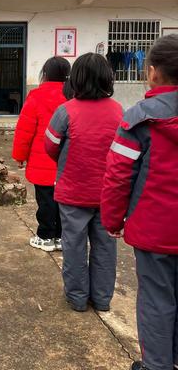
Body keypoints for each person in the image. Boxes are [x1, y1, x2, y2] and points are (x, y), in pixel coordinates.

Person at [101, 35, 178, 370]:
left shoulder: (139, 118)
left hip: (155, 231)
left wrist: (113, 220)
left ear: (152, 73)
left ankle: (157, 365)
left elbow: (119, 176)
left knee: (157, 300)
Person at [44, 53, 122, 312]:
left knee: (74, 247)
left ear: (75, 79)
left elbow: (51, 145)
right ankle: (102, 299)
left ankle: (77, 298)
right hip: (108, 195)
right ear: (108, 78)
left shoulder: (65, 111)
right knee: (105, 248)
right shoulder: (118, 110)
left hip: (73, 192)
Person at [12, 56, 71, 252]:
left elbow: (25, 130)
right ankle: (62, 237)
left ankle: (45, 236)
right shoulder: (74, 96)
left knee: (45, 202)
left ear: (45, 74)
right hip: (67, 163)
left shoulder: (36, 96)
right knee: (64, 202)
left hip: (42, 159)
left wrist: (20, 156)